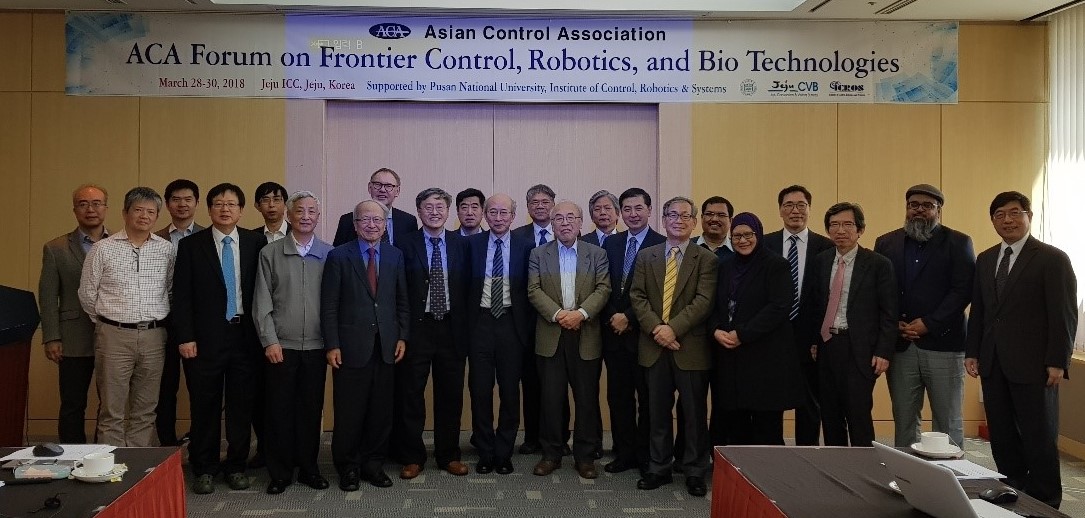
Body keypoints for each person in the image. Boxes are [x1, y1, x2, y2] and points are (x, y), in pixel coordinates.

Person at [965, 191, 1076, 509]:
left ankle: (1045, 501)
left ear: (1029, 216)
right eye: (999, 214)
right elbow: (980, 311)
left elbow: (1063, 314)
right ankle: (1011, 488)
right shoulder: (986, 258)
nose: (1008, 220)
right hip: (993, 361)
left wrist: (1057, 360)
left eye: (1015, 213)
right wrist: (973, 351)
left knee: (1038, 435)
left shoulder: (1052, 259)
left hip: (1035, 364)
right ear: (993, 220)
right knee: (1001, 434)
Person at [173, 183, 266, 494]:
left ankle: (236, 466)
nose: (225, 209)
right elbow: (182, 296)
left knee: (241, 406)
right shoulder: (191, 246)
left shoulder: (256, 242)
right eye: (219, 204)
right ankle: (205, 468)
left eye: (231, 204)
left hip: (245, 336)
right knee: (205, 405)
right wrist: (185, 336)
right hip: (205, 338)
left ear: (241, 210)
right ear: (209, 209)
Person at [874, 184, 975, 449]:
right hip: (901, 345)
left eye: (927, 206)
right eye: (913, 205)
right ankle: (906, 470)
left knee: (947, 420)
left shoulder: (959, 242)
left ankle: (951, 471)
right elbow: (880, 289)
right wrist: (893, 322)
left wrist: (930, 323)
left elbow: (962, 290)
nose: (919, 210)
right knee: (904, 419)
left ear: (939, 210)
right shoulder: (886, 242)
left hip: (944, 345)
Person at [629, 196, 718, 497]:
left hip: (690, 348)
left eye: (684, 216)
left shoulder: (706, 259)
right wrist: (658, 329)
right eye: (672, 215)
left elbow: (703, 301)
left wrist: (672, 329)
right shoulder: (647, 256)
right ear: (663, 220)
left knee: (693, 414)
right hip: (654, 346)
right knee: (656, 413)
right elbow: (637, 296)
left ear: (694, 222)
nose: (678, 220)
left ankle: (694, 470)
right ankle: (659, 467)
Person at [322, 200, 409, 492]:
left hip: (386, 345)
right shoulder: (338, 256)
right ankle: (348, 466)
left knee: (380, 411)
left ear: (385, 225)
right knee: (350, 411)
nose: (372, 225)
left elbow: (402, 301)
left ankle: (373, 464)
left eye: (377, 220)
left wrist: (402, 336)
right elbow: (329, 305)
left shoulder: (395, 255)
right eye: (365, 220)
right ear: (355, 224)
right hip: (349, 347)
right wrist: (332, 344)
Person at [77, 187, 173, 447]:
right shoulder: (102, 249)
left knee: (146, 409)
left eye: (150, 212)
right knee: (112, 410)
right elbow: (87, 293)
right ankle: (112, 466)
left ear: (157, 216)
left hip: (154, 336)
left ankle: (138, 466)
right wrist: (108, 323)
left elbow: (170, 290)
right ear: (125, 213)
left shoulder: (167, 250)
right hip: (113, 336)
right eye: (138, 210)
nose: (144, 216)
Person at [252, 191, 334, 495]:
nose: (306, 216)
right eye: (300, 211)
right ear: (289, 215)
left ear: (318, 217)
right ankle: (280, 472)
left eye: (312, 211)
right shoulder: (270, 253)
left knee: (310, 411)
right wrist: (269, 341)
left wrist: (332, 342)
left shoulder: (330, 254)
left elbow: (336, 303)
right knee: (279, 410)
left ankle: (309, 469)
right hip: (281, 347)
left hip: (317, 347)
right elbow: (261, 302)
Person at [527, 201, 611, 479]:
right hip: (551, 334)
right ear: (551, 224)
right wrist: (560, 314)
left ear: (580, 222)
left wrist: (581, 314)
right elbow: (533, 289)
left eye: (570, 217)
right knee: (550, 399)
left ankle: (584, 457)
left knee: (586, 399)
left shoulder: (597, 253)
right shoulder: (538, 254)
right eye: (559, 218)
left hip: (585, 335)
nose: (565, 223)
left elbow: (603, 289)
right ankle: (551, 454)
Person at [392, 188, 471, 479]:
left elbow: (469, 289)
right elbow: (397, 290)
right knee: (411, 394)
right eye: (428, 207)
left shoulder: (462, 244)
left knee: (450, 395)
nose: (434, 212)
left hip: (451, 328)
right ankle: (412, 456)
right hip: (418, 328)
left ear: (448, 212)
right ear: (419, 211)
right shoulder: (404, 244)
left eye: (440, 207)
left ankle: (448, 455)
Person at [805, 202, 896, 448]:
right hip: (827, 345)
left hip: (860, 349)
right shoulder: (821, 261)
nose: (840, 230)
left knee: (858, 413)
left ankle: (865, 466)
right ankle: (837, 466)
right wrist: (814, 341)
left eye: (847, 224)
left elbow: (889, 312)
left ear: (860, 230)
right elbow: (815, 305)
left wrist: (883, 351)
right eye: (834, 225)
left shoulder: (878, 264)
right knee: (830, 413)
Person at [709, 212, 803, 446]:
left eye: (748, 234)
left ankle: (769, 470)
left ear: (758, 234)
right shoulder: (725, 266)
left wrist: (742, 334)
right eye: (736, 236)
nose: (742, 240)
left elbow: (779, 307)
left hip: (765, 359)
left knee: (766, 428)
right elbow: (714, 304)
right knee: (736, 425)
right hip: (732, 358)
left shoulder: (776, 265)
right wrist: (715, 329)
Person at [466, 193, 535, 475]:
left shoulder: (526, 246)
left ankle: (504, 452)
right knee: (480, 390)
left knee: (509, 391)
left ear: (513, 216)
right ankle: (485, 451)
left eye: (503, 213)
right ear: (485, 215)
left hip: (511, 323)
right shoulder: (471, 244)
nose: (498, 218)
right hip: (480, 324)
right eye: (492, 212)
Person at [600, 188, 665, 475]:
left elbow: (659, 294)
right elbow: (601, 285)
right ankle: (624, 453)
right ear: (620, 213)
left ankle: (647, 454)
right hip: (614, 335)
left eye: (638, 208)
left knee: (649, 399)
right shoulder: (611, 243)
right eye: (627, 209)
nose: (633, 214)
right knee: (619, 397)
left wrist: (628, 317)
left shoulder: (661, 243)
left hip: (646, 335)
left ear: (649, 210)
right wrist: (613, 316)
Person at [763, 185, 833, 446]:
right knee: (771, 402)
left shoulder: (825, 247)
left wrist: (818, 337)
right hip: (772, 337)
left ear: (809, 209)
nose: (795, 211)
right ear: (780, 210)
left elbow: (828, 298)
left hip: (810, 339)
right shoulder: (765, 244)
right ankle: (774, 455)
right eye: (789, 205)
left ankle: (807, 454)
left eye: (801, 205)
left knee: (809, 404)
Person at [39, 184, 109, 444]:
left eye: (97, 203)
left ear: (106, 208)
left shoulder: (119, 243)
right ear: (74, 209)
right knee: (72, 403)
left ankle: (102, 455)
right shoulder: (56, 248)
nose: (91, 209)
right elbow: (48, 296)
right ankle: (71, 455)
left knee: (110, 403)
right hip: (72, 338)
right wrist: (51, 337)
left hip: (112, 336)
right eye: (83, 204)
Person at [511, 184, 569, 455]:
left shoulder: (568, 235)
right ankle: (533, 436)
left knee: (559, 382)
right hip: (526, 321)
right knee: (531, 381)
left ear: (553, 204)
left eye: (545, 201)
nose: (540, 206)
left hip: (561, 320)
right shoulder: (516, 237)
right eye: (534, 202)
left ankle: (560, 437)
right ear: (527, 207)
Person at [154, 179, 202, 446]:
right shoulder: (153, 237)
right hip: (162, 321)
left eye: (188, 199)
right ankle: (167, 444)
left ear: (196, 203)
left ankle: (199, 440)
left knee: (199, 386)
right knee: (165, 386)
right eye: (176, 199)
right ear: (167, 204)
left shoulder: (209, 236)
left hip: (197, 324)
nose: (182, 204)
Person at [332, 168, 419, 247]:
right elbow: (338, 254)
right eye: (377, 184)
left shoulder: (408, 221)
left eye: (388, 186)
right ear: (369, 188)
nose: (382, 190)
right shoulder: (347, 220)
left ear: (397, 191)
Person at [693, 196, 735, 261]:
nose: (714, 219)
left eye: (721, 215)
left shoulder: (738, 249)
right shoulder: (688, 246)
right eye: (709, 214)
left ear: (730, 220)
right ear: (702, 218)